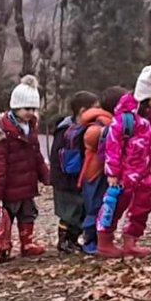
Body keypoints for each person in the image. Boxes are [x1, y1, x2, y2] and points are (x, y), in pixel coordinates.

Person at [96, 64, 151, 260]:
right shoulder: (125, 120)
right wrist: (113, 173)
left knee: (142, 207)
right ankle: (105, 241)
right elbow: (113, 147)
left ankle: (131, 240)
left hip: (147, 173)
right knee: (114, 206)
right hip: (125, 176)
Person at [0, 74, 51, 263]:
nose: (30, 112)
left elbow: (37, 155)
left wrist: (45, 175)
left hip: (27, 184)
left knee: (28, 214)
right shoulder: (2, 133)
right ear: (15, 107)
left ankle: (27, 242)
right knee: (5, 218)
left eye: (33, 109)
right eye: (26, 108)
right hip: (9, 186)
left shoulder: (31, 128)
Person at [49, 90, 99, 254]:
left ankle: (74, 239)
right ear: (83, 111)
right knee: (69, 213)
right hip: (66, 178)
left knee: (80, 210)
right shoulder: (66, 130)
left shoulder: (86, 129)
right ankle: (64, 241)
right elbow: (57, 156)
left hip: (78, 177)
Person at [79, 88, 127, 256]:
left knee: (106, 206)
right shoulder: (101, 126)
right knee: (96, 207)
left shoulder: (109, 123)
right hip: (96, 173)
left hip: (103, 172)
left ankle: (102, 238)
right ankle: (90, 240)